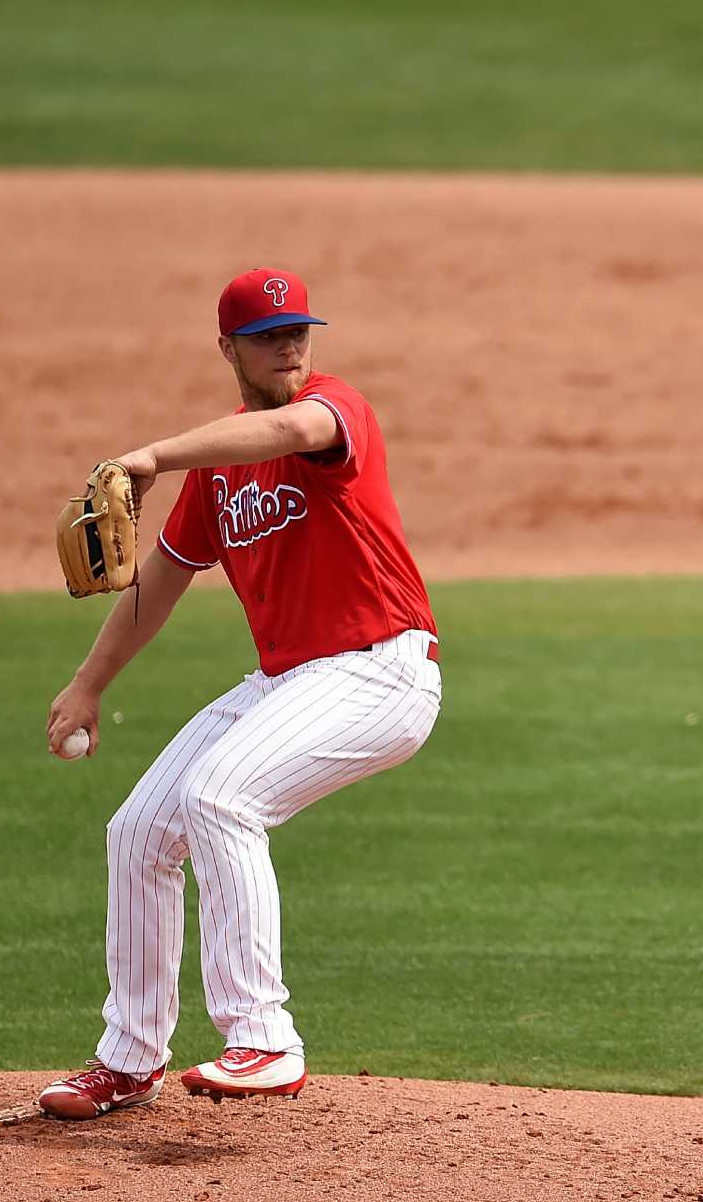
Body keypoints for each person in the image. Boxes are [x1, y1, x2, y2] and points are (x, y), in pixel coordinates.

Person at [36, 268, 443, 1120]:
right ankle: (130, 1057)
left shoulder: (335, 410)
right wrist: (87, 684)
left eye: (298, 329)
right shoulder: (220, 473)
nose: (289, 344)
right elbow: (158, 583)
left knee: (221, 795)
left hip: (381, 668)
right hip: (292, 678)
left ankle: (265, 1038)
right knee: (141, 828)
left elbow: (290, 428)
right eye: (267, 335)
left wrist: (152, 453)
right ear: (228, 348)